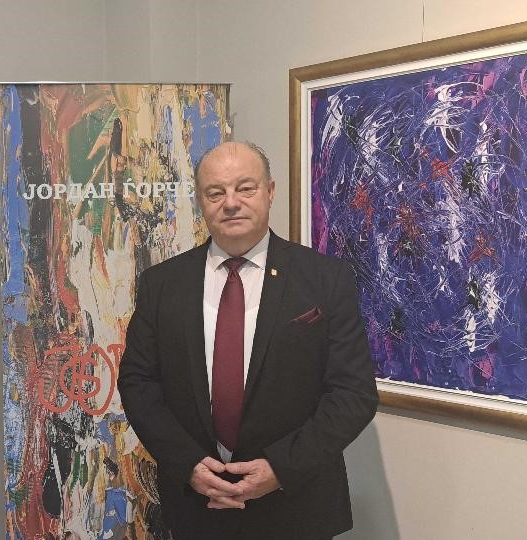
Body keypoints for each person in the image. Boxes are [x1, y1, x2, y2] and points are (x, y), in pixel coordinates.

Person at [118, 141, 378, 539]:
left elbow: (353, 394)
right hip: (196, 507)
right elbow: (138, 384)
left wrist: (280, 468)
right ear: (201, 201)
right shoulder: (162, 284)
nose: (231, 203)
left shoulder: (326, 279)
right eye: (215, 193)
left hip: (296, 508)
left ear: (270, 191)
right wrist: (188, 464)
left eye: (245, 188)